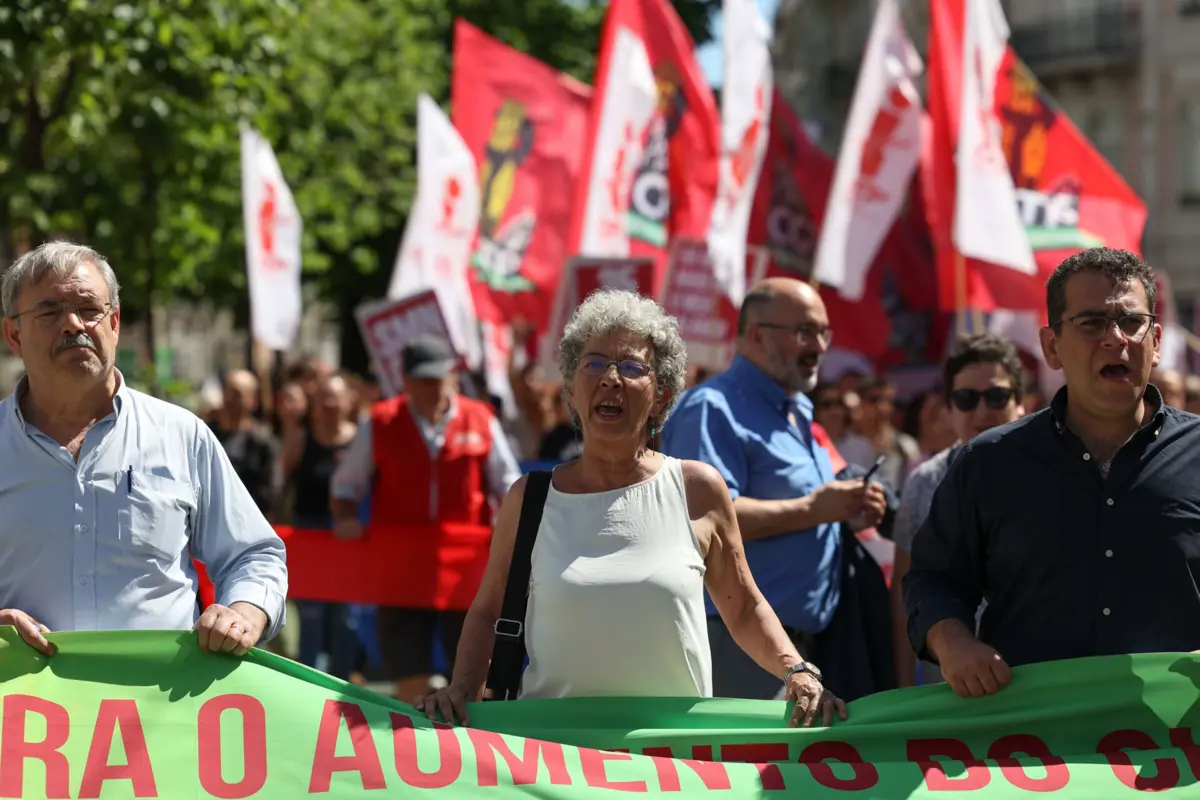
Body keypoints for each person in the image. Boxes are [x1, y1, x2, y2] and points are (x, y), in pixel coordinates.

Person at [416, 289, 847, 728]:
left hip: (669, 763)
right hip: (550, 757)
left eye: (632, 367)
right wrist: (460, 691)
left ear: (661, 396)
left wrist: (796, 669)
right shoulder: (530, 499)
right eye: (595, 363)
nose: (611, 379)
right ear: (571, 387)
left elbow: (743, 607)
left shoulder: (697, 489)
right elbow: (488, 610)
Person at [904, 247, 1200, 699]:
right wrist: (954, 643)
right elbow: (933, 578)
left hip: (1176, 746)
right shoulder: (989, 462)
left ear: (1156, 341)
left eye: (1130, 322)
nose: (1114, 338)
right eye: (1092, 323)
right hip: (1032, 748)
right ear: (1051, 346)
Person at [0, 241, 287, 656]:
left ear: (114, 322)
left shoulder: (181, 435)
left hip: (159, 714)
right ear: (14, 335)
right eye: (49, 312)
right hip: (22, 713)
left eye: (89, 308)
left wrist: (243, 611)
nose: (73, 325)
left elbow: (254, 553)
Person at [661, 278, 886, 700]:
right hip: (738, 647)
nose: (819, 346)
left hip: (810, 645)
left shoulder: (798, 409)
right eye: (804, 332)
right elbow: (705, 521)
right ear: (756, 334)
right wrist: (813, 510)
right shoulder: (712, 409)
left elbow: (808, 508)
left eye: (823, 332)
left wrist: (845, 514)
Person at [330, 335, 522, 703]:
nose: (431, 389)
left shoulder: (479, 419)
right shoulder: (382, 422)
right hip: (400, 574)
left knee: (472, 680)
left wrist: (505, 522)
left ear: (452, 376)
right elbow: (344, 487)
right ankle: (412, 754)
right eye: (422, 381)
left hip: (466, 575)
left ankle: (474, 753)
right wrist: (346, 518)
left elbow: (509, 483)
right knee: (409, 685)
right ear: (405, 380)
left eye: (437, 379)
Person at [889, 334, 1025, 687]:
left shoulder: (1053, 475)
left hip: (1033, 676)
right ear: (948, 409)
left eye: (996, 396)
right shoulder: (923, 482)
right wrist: (904, 689)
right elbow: (906, 593)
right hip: (950, 686)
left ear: (1021, 403)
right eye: (966, 399)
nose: (982, 411)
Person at [283, 372, 361, 679]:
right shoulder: (301, 440)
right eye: (323, 397)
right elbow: (282, 488)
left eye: (335, 397)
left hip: (347, 544)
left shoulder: (360, 440)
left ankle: (344, 686)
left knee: (344, 620)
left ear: (348, 401)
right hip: (308, 540)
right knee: (310, 619)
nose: (329, 404)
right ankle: (310, 685)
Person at [210, 369, 281, 518]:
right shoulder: (206, 435)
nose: (230, 399)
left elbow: (271, 490)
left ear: (253, 400)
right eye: (227, 391)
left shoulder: (263, 442)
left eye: (237, 394)